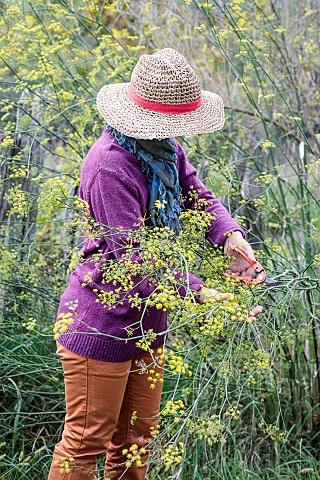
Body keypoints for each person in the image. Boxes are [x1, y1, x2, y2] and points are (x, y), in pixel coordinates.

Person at [48, 48, 263, 480]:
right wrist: (201, 293)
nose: (177, 132)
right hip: (101, 322)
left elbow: (195, 192)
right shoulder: (110, 166)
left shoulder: (162, 149)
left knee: (135, 443)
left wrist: (230, 236)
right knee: (86, 442)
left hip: (149, 322)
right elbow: (134, 261)